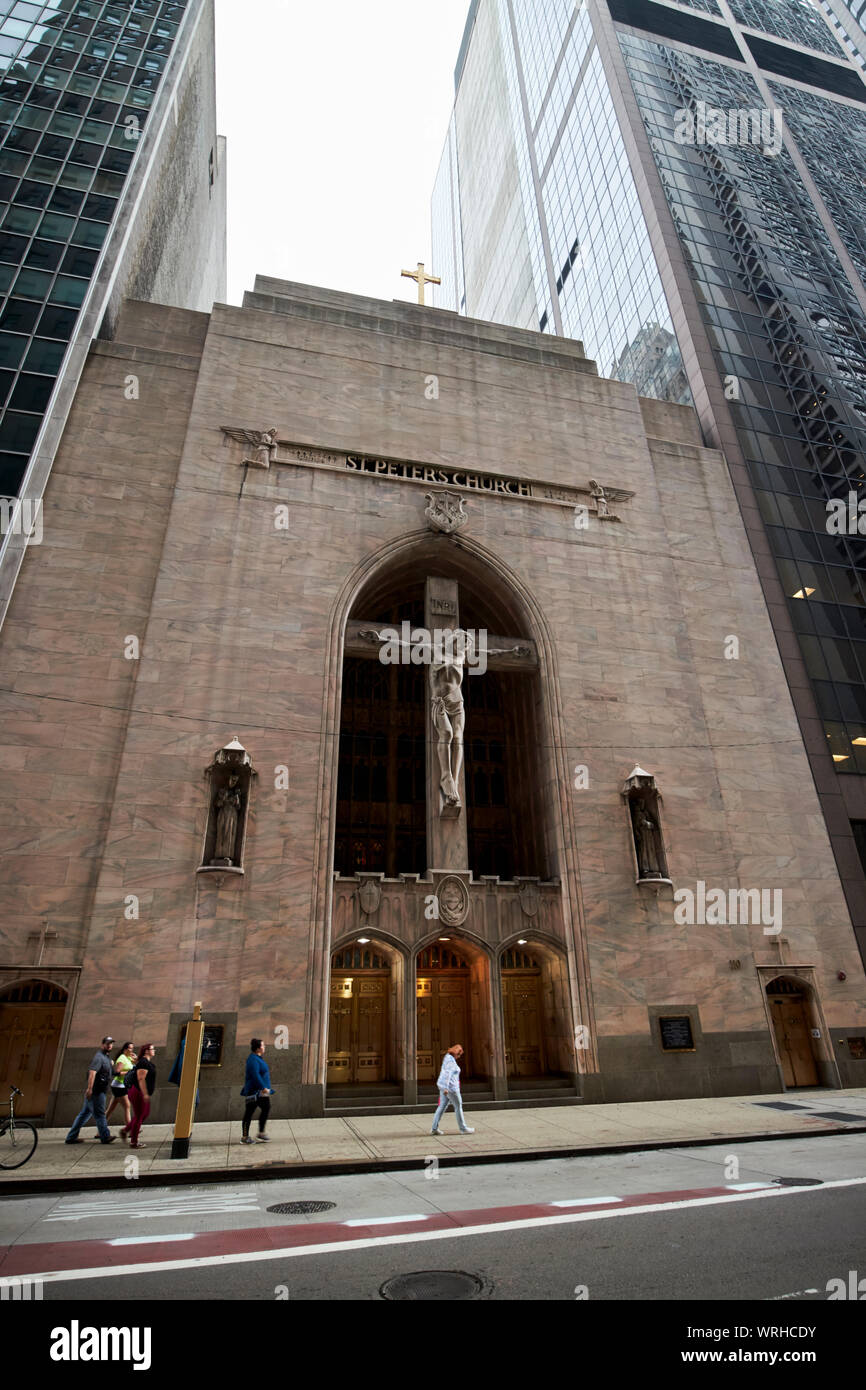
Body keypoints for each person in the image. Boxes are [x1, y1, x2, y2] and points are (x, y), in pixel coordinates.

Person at [65, 1036, 118, 1144]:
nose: (109, 1045)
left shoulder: (106, 1058)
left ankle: (71, 1137)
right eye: (107, 1043)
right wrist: (90, 1089)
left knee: (84, 1114)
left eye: (111, 1043)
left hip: (99, 1090)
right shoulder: (98, 1057)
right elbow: (92, 1072)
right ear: (102, 1045)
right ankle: (105, 1136)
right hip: (96, 1091)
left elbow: (111, 1073)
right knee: (100, 1114)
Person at [431, 1043, 475, 1135]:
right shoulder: (450, 1061)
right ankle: (463, 1128)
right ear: (456, 1053)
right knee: (458, 1106)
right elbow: (448, 1074)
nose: (459, 1057)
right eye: (459, 1055)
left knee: (442, 1107)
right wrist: (446, 1088)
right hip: (451, 1088)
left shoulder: (447, 1057)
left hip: (444, 1087)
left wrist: (444, 1087)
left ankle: (434, 1128)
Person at [240, 1038, 273, 1144]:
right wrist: (263, 1087)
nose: (265, 1047)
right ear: (258, 1048)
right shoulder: (253, 1060)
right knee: (249, 1113)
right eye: (263, 1045)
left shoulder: (257, 1058)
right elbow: (255, 1075)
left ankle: (261, 1133)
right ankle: (245, 1137)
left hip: (260, 1092)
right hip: (255, 1092)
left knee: (266, 1108)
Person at [124, 1043, 156, 1148]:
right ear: (146, 1051)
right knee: (139, 1116)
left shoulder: (144, 1061)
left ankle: (126, 1130)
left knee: (145, 1113)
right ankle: (134, 1142)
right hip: (138, 1092)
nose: (154, 1050)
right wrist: (145, 1094)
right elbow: (141, 1079)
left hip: (140, 1092)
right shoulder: (143, 1063)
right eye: (152, 1049)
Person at [106, 1041, 135, 1131]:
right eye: (130, 1048)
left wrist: (135, 1058)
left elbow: (134, 1065)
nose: (132, 1050)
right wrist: (129, 1073)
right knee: (127, 1106)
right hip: (119, 1086)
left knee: (110, 1109)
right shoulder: (122, 1058)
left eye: (132, 1048)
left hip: (122, 1085)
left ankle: (100, 1131)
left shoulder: (127, 1057)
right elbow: (117, 1073)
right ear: (125, 1049)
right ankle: (130, 1130)